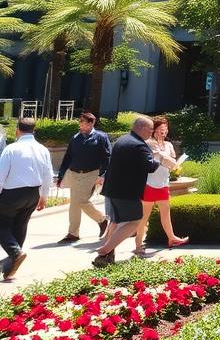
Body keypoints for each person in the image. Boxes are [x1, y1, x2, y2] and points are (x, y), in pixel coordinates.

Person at [93, 116, 165, 267]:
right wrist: (158, 158)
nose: (151, 133)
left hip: (112, 190)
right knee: (134, 221)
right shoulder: (139, 145)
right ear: (143, 128)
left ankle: (105, 257)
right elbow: (150, 167)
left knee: (117, 222)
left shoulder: (122, 140)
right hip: (127, 192)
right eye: (151, 130)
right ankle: (105, 249)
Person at [0, 118, 52, 279]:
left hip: (12, 194)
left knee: (2, 225)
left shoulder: (11, 149)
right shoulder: (42, 149)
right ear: (33, 130)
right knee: (20, 226)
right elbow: (48, 174)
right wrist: (44, 195)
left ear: (17, 130)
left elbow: (1, 174)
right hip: (32, 194)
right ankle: (12, 264)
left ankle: (16, 253)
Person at [133, 117, 189, 256]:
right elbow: (156, 158)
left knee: (165, 214)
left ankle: (171, 238)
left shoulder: (168, 145)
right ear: (153, 130)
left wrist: (173, 164)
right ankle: (138, 244)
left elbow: (172, 161)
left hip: (163, 183)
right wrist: (165, 158)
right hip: (149, 184)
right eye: (159, 130)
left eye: (165, 129)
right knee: (144, 216)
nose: (162, 132)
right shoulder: (148, 143)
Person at [56, 112, 111, 243]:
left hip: (91, 174)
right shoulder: (75, 137)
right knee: (74, 204)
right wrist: (61, 175)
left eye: (84, 123)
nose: (81, 125)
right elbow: (68, 157)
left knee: (81, 201)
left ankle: (102, 220)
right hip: (74, 173)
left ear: (92, 123)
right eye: (80, 122)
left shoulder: (101, 137)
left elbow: (107, 157)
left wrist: (103, 174)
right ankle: (73, 233)